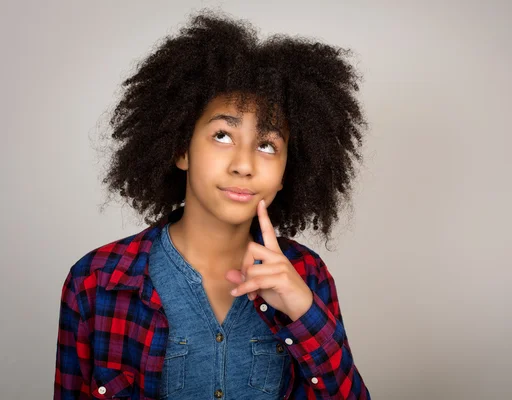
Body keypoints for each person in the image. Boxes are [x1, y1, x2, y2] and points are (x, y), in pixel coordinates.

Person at [54, 8, 370, 400]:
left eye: (268, 145)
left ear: (289, 171)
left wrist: (304, 311)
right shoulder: (96, 282)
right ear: (180, 149)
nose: (244, 165)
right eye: (223, 135)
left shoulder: (307, 276)